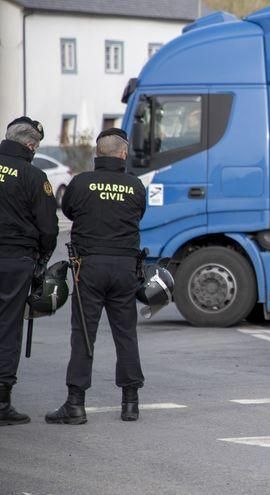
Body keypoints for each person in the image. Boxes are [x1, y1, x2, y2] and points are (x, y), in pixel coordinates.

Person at [46, 128, 147, 424]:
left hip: (88, 267)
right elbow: (138, 213)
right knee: (125, 333)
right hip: (125, 267)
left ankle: (75, 404)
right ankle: (131, 403)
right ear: (123, 154)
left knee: (83, 335)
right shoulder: (135, 185)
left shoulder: (81, 183)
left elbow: (70, 210)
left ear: (97, 154)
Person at [0, 117, 58, 426]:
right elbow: (49, 228)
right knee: (8, 326)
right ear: (32, 146)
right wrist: (42, 259)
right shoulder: (35, 177)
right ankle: (2, 400)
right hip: (14, 259)